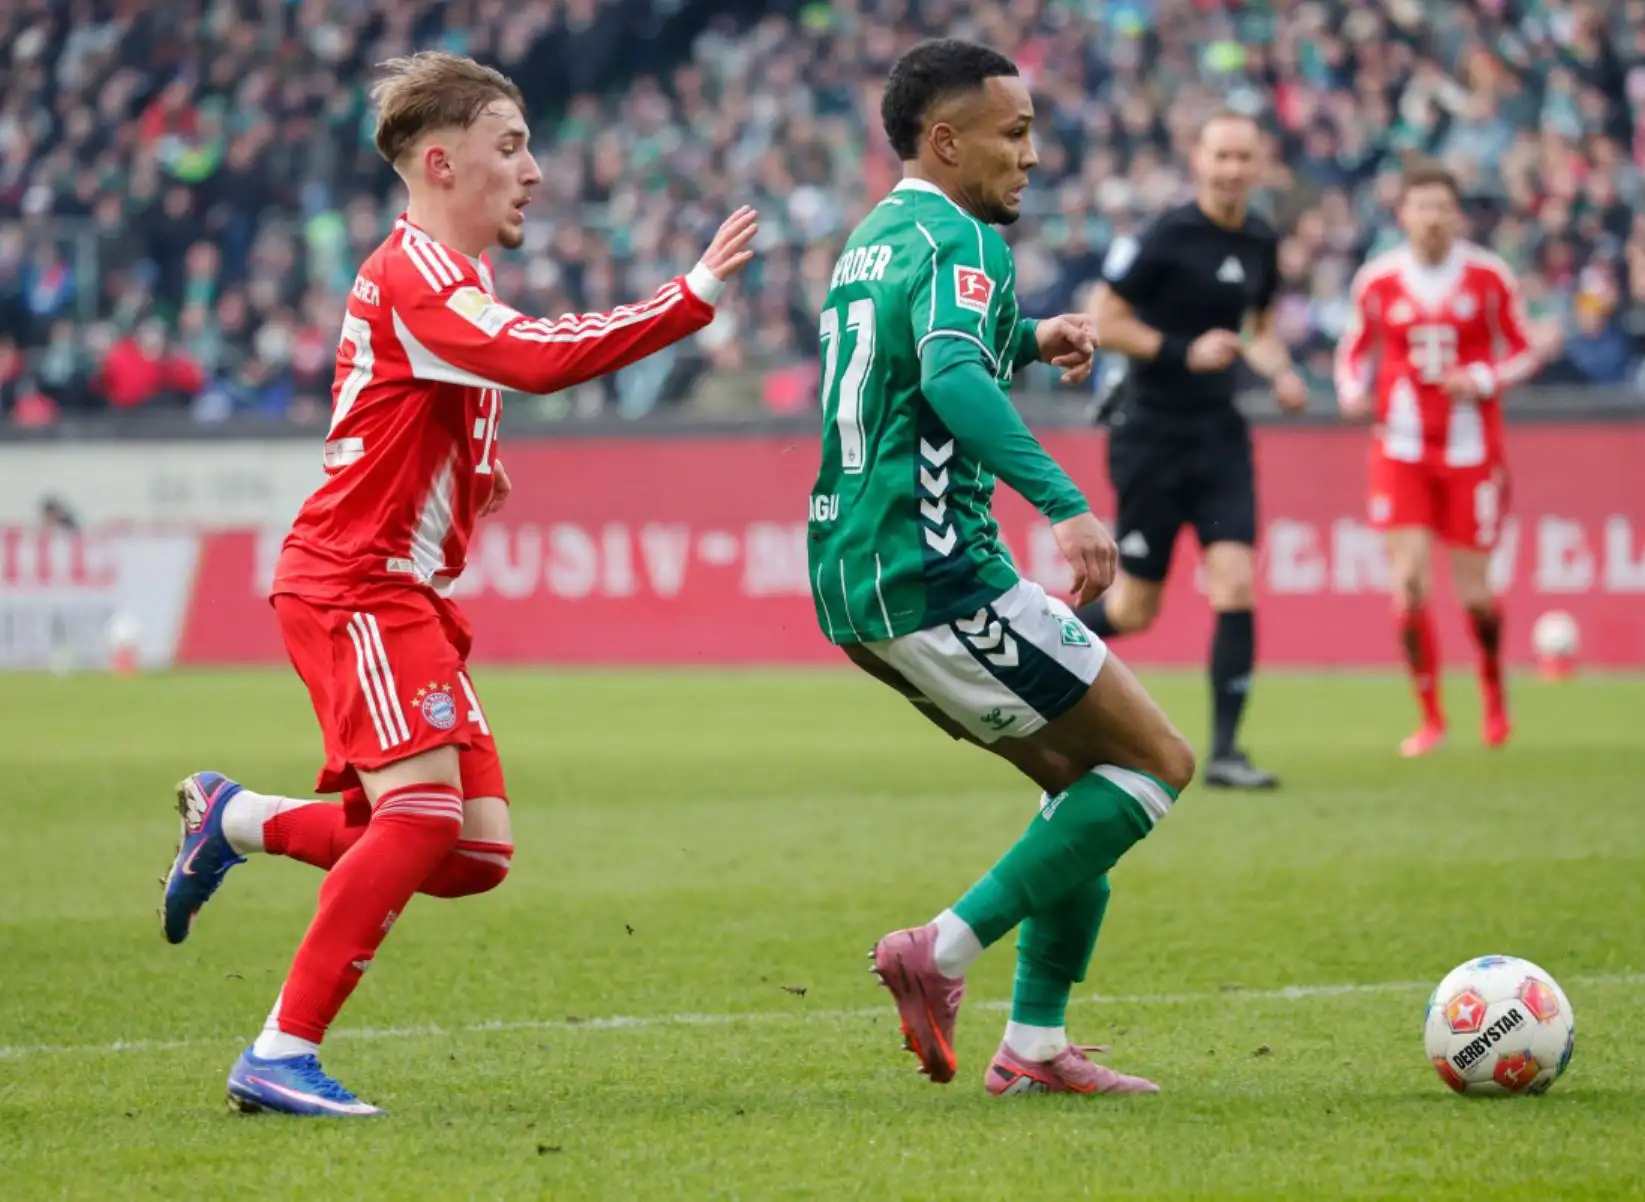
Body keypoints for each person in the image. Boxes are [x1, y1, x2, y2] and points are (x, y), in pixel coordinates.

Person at [156, 52, 758, 1116]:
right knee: (424, 810)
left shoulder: (448, 279)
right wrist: (690, 296)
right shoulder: (418, 272)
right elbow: (532, 359)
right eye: (510, 147)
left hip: (397, 589)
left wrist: (476, 474)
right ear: (440, 162)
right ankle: (280, 1050)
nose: (533, 172)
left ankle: (236, 818)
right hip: (357, 582)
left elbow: (414, 402)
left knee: (472, 848)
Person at [811, 38, 1196, 1098]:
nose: (1031, 155)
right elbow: (945, 375)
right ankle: (936, 950)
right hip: (938, 570)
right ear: (947, 140)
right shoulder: (965, 233)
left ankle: (1032, 1048)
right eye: (1013, 133)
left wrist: (1027, 338)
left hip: (860, 578)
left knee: (1083, 787)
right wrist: (1067, 504)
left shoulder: (876, 238)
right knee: (1158, 762)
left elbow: (920, 351)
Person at [1076, 111, 1308, 791]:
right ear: (1198, 160)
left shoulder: (1262, 239)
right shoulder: (1166, 236)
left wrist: (1282, 371)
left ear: (1259, 165)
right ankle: (1029, 650)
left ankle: (1228, 754)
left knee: (1236, 582)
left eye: (1244, 157)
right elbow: (1105, 320)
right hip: (1152, 433)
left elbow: (1257, 329)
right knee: (1133, 611)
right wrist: (1182, 351)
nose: (1233, 169)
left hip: (1220, 435)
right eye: (1222, 156)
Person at [1333, 161, 1538, 757]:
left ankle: (1494, 690)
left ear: (1456, 215)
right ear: (1404, 215)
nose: (1432, 218)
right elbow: (1353, 351)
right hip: (1399, 445)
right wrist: (1351, 392)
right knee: (1410, 585)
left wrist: (1482, 376)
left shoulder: (1489, 276)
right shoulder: (1378, 280)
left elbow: (1523, 351)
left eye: (1441, 207)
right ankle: (1430, 717)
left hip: (1471, 449)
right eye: (1421, 207)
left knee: (1475, 595)